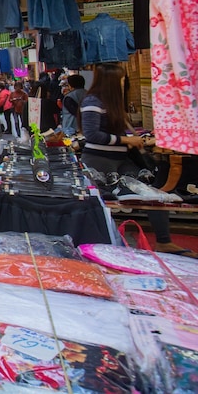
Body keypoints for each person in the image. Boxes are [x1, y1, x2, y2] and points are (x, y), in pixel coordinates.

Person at [80, 63, 195, 257]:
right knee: (102, 202)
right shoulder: (93, 101)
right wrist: (126, 139)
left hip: (121, 159)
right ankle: (99, 245)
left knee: (152, 195)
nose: (124, 82)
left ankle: (164, 241)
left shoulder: (113, 102)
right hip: (99, 160)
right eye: (121, 79)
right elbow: (91, 134)